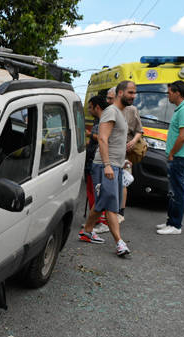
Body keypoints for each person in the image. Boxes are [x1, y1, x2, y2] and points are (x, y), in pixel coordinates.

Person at [78, 80, 135, 257]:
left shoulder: (120, 112)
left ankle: (87, 231)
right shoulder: (111, 112)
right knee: (111, 204)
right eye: (131, 93)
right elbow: (102, 139)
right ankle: (119, 243)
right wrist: (108, 164)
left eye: (134, 93)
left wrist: (123, 161)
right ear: (120, 93)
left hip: (115, 165)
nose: (134, 96)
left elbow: (117, 141)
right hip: (105, 166)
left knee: (103, 202)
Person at [157, 80, 184, 235]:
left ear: (177, 93)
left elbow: (183, 136)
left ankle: (175, 225)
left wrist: (172, 153)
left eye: (170, 92)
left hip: (180, 156)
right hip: (178, 156)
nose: (168, 95)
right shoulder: (181, 109)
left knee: (177, 191)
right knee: (173, 191)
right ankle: (170, 221)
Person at [84, 95, 110, 234]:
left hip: (96, 162)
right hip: (92, 161)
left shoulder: (104, 121)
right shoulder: (99, 120)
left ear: (97, 107)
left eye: (90, 107)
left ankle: (100, 222)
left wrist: (89, 135)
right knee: (91, 191)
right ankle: (93, 220)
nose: (88, 110)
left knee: (95, 192)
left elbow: (103, 139)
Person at [120, 87, 143, 221]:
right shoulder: (109, 110)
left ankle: (120, 213)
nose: (108, 100)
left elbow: (140, 130)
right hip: (111, 154)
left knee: (124, 182)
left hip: (126, 154)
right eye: (108, 98)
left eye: (110, 98)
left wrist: (134, 141)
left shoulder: (132, 110)